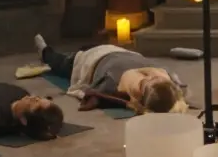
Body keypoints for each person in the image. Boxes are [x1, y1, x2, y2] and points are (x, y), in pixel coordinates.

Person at [34, 35, 187, 114]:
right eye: (155, 78)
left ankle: (45, 53)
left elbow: (93, 94)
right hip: (117, 51)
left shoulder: (117, 84)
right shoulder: (163, 77)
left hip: (92, 59)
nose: (150, 76)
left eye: (145, 83)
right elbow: (173, 86)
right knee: (86, 46)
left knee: (61, 62)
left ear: (140, 92)